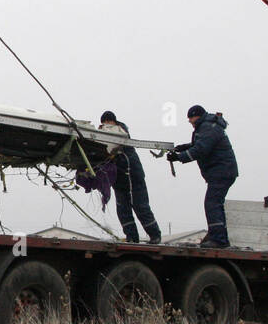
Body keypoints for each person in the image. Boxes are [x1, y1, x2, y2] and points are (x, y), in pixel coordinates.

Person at [167, 105, 239, 249]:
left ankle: (219, 240)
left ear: (196, 116)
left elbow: (201, 149)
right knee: (214, 203)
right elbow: (200, 144)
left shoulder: (208, 127)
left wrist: (179, 157)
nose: (190, 123)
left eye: (190, 119)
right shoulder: (208, 126)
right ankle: (217, 237)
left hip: (221, 172)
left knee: (212, 203)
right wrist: (183, 147)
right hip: (222, 172)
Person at [97, 111, 162, 244]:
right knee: (122, 209)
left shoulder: (120, 132)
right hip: (119, 178)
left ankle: (155, 235)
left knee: (140, 206)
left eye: (107, 122)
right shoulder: (106, 134)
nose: (106, 125)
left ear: (112, 121)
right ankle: (132, 237)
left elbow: (112, 147)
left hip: (132, 175)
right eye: (104, 123)